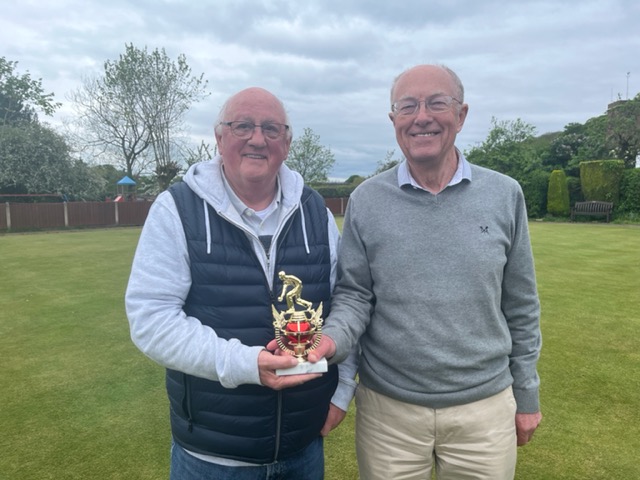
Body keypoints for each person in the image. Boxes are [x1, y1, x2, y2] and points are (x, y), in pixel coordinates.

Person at [309, 64, 543, 479]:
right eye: (407, 106)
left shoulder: (505, 194)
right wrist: (330, 341)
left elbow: (521, 305)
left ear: (462, 114)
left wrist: (526, 395)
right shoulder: (366, 199)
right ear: (393, 120)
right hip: (389, 414)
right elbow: (354, 295)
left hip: (484, 410)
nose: (422, 117)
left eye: (437, 103)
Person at [125, 87, 356, 480]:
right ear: (219, 138)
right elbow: (151, 320)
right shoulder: (176, 208)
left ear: (286, 142)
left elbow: (344, 301)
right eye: (242, 126)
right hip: (212, 459)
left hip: (303, 448)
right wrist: (247, 364)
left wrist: (342, 391)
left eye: (271, 128)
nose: (257, 138)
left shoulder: (314, 209)